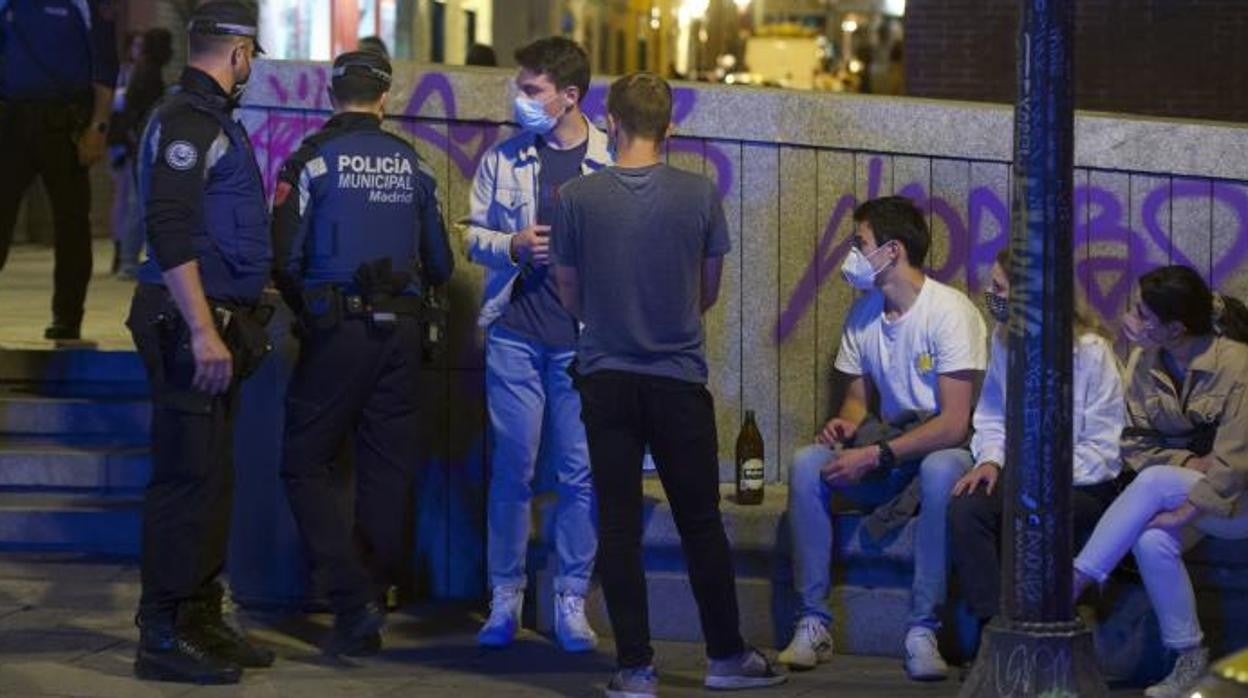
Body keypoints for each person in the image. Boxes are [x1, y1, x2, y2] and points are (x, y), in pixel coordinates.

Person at [553, 71, 786, 696]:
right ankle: (725, 657)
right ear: (671, 129)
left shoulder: (576, 197)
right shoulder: (700, 195)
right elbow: (706, 290)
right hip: (678, 378)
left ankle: (635, 668)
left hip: (604, 376)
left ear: (610, 122)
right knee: (701, 522)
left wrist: (608, 318)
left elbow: (568, 290)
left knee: (620, 525)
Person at [273, 50, 454, 657]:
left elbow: (285, 258)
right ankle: (373, 594)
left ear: (332, 96)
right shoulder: (415, 166)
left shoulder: (310, 162)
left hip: (336, 330)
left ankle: (350, 599)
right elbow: (442, 264)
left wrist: (313, 311)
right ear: (383, 99)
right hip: (401, 336)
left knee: (303, 462)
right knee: (387, 469)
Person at [125, 2, 275, 684]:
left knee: (213, 478)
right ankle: (160, 632)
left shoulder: (210, 120)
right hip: (187, 325)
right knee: (186, 481)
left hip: (214, 322)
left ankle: (199, 617)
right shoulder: (188, 121)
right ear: (238, 54)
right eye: (251, 59)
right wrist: (202, 329)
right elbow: (170, 227)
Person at [779, 196, 987, 680]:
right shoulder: (864, 317)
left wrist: (876, 453)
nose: (852, 253)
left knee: (940, 469)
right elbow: (856, 402)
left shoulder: (950, 312)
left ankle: (922, 628)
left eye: (860, 243)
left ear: (892, 250)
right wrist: (846, 426)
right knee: (808, 463)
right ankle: (813, 620)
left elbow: (956, 423)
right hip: (887, 449)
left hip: (939, 451)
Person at [464, 37, 606, 652]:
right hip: (515, 334)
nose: (519, 99)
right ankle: (504, 598)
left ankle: (571, 600)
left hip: (582, 344)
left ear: (569, 96)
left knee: (578, 474)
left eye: (531, 90)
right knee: (511, 474)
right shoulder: (504, 158)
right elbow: (471, 235)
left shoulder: (609, 161)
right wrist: (513, 245)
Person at [1072, 265, 1248, 698]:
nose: (1130, 320)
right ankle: (1189, 657)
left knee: (1153, 483)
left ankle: (1071, 587)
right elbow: (1134, 442)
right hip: (1195, 490)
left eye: (1142, 315)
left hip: (1239, 500)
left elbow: (1236, 460)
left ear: (1175, 328)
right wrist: (1189, 460)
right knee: (1152, 541)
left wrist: (1186, 509)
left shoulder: (1237, 365)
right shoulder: (1144, 361)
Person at [949, 247, 1124, 656]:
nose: (992, 296)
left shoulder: (1092, 352)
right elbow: (992, 414)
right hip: (1020, 470)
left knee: (1028, 511)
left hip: (1081, 481)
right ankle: (995, 630)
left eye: (1001, 288)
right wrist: (991, 459)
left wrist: (1041, 473)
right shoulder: (1005, 341)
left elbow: (1103, 447)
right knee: (967, 508)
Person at [0, 0, 117, 341]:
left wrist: (98, 128)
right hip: (12, 124)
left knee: (72, 227)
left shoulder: (85, 5)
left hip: (65, 127)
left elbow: (105, 68)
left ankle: (67, 319)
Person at [109, 27, 174, 278]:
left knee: (134, 203)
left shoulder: (143, 71)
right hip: (140, 147)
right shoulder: (148, 73)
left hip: (135, 145)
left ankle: (127, 259)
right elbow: (140, 113)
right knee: (137, 204)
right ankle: (128, 261)